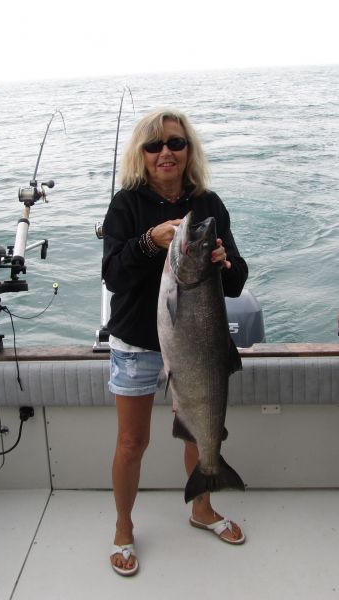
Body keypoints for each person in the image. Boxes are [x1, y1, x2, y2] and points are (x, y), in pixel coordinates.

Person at [102, 108, 248, 576]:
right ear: (141, 155)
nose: (166, 152)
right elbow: (113, 275)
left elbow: (237, 283)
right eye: (154, 145)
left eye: (176, 144)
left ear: (189, 151)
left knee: (200, 428)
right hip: (137, 344)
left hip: (198, 345)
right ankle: (124, 527)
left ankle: (201, 507)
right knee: (132, 442)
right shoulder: (127, 205)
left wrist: (222, 260)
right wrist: (148, 241)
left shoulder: (209, 205)